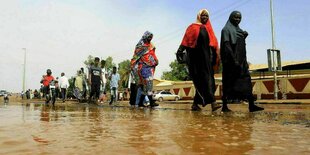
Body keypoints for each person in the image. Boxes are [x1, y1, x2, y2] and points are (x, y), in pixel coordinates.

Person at [177, 9, 221, 111]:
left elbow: (213, 45)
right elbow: (186, 41)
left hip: (206, 59)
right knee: (206, 80)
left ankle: (195, 104)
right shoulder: (192, 27)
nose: (205, 18)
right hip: (196, 60)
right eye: (203, 15)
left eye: (207, 16)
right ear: (199, 16)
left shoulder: (208, 29)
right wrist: (180, 51)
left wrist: (214, 58)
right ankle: (213, 102)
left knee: (206, 81)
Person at [220, 11, 264, 112]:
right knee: (228, 82)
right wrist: (234, 60)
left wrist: (244, 36)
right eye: (235, 17)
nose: (237, 19)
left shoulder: (238, 30)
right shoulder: (226, 29)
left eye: (239, 18)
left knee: (247, 81)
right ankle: (224, 106)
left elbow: (239, 43)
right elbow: (226, 45)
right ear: (231, 17)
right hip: (231, 63)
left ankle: (251, 105)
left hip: (242, 61)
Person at [131, 31, 159, 107]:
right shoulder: (140, 46)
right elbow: (135, 58)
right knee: (149, 84)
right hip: (143, 67)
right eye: (149, 37)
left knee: (144, 87)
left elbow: (152, 54)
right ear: (145, 37)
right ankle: (151, 102)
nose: (150, 39)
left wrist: (155, 61)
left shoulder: (150, 45)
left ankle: (140, 103)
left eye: (151, 37)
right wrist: (134, 68)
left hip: (149, 67)